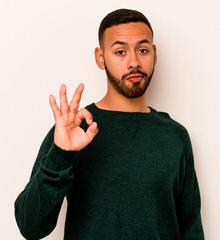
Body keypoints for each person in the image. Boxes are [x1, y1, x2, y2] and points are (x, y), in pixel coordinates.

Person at [14, 8, 204, 240]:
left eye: (142, 50)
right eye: (120, 51)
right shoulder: (74, 129)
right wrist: (61, 154)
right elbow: (30, 226)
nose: (134, 62)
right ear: (100, 57)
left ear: (154, 54)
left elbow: (191, 229)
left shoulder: (175, 137)